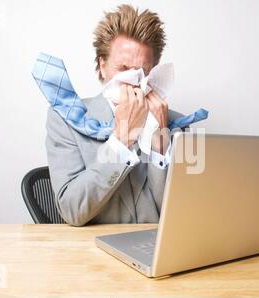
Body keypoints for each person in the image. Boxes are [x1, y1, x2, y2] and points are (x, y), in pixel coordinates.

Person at [46, 4, 184, 226]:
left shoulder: (174, 125)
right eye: (123, 68)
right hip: (93, 254)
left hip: (156, 253)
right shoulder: (66, 120)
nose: (132, 79)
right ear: (102, 66)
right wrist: (122, 140)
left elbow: (181, 219)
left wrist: (160, 142)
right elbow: (72, 210)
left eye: (142, 71)